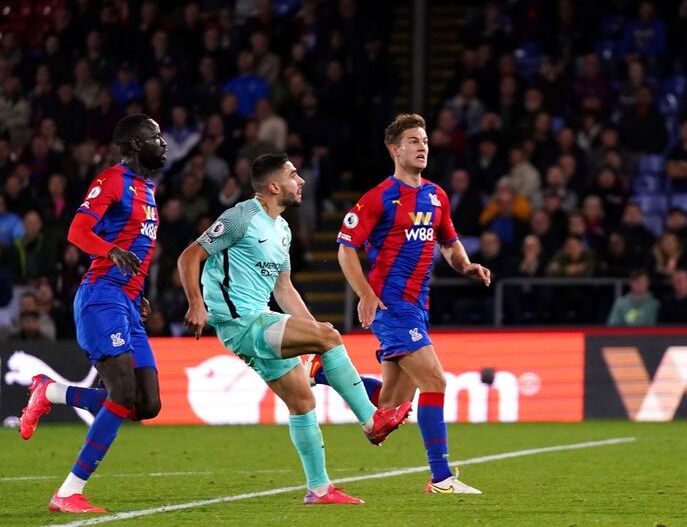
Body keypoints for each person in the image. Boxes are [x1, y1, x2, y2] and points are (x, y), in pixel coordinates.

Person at [177, 153, 411, 506]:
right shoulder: (242, 217)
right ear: (273, 186)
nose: (300, 180)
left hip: (258, 319)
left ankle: (318, 489)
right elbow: (189, 256)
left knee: (302, 401)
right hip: (242, 321)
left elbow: (284, 289)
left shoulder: (282, 229)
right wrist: (196, 303)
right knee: (330, 336)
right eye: (292, 175)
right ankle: (371, 421)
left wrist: (310, 329)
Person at [332, 113, 491, 494]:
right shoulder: (378, 198)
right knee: (435, 380)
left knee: (392, 402)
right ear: (395, 149)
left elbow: (449, 244)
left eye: (424, 140)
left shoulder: (437, 195)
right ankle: (441, 478)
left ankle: (323, 370)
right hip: (392, 305)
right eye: (414, 141)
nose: (422, 147)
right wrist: (366, 294)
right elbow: (345, 249)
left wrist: (466, 266)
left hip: (418, 305)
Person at [19, 115, 167, 513]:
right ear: (135, 144)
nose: (163, 142)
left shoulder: (148, 190)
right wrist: (109, 251)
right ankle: (69, 491)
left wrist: (139, 296)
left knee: (147, 404)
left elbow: (136, 252)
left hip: (127, 303)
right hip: (101, 296)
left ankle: (50, 391)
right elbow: (77, 232)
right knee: (121, 393)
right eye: (155, 136)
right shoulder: (113, 181)